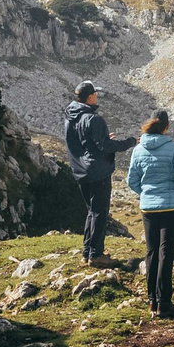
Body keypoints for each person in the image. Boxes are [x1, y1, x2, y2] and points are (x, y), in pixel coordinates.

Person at [126, 109, 174, 317]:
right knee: (166, 253)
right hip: (171, 206)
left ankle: (152, 301)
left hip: (148, 207)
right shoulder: (172, 148)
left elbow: (131, 180)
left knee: (151, 252)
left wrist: (145, 193)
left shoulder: (138, 149)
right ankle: (165, 302)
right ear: (166, 126)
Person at [62, 80, 135, 266]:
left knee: (91, 212)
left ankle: (87, 252)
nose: (97, 97)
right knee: (100, 213)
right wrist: (130, 142)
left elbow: (85, 142)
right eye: (95, 94)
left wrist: (102, 139)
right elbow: (106, 146)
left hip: (80, 171)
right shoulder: (94, 119)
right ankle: (96, 255)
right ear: (90, 97)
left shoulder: (70, 116)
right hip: (97, 172)